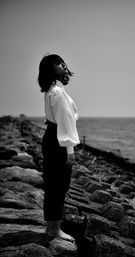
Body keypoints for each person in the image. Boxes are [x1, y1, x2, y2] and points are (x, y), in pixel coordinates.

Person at [38, 53, 80, 242]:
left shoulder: (53, 90)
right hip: (58, 140)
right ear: (49, 69)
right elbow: (65, 121)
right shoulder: (57, 91)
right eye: (57, 63)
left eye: (62, 61)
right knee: (58, 185)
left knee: (54, 184)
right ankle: (54, 230)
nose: (62, 64)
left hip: (53, 138)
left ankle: (52, 228)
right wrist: (70, 150)